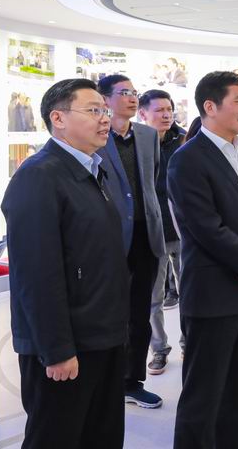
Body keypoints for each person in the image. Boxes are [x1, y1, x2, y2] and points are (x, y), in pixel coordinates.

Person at [1, 78, 129, 448]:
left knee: (101, 436)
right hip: (67, 347)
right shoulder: (38, 176)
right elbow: (36, 275)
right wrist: (56, 350)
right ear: (58, 119)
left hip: (102, 336)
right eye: (93, 110)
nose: (104, 118)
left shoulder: (93, 170)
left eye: (104, 110)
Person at [168, 71, 238, 449]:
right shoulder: (187, 159)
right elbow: (206, 228)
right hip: (213, 294)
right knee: (203, 396)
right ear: (210, 106)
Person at [97, 74, 167, 409]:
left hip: (145, 235)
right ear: (105, 99)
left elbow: (152, 181)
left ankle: (131, 381)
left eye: (134, 92)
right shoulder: (96, 134)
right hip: (110, 236)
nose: (131, 97)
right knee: (109, 311)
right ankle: (105, 380)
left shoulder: (148, 135)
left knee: (140, 312)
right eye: (124, 92)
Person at [137, 89, 187, 375]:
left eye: (169, 109)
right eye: (159, 110)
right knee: (153, 298)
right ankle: (158, 349)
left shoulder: (184, 141)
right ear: (143, 113)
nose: (166, 115)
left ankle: (189, 342)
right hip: (151, 232)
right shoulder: (135, 144)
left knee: (189, 291)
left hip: (184, 231)